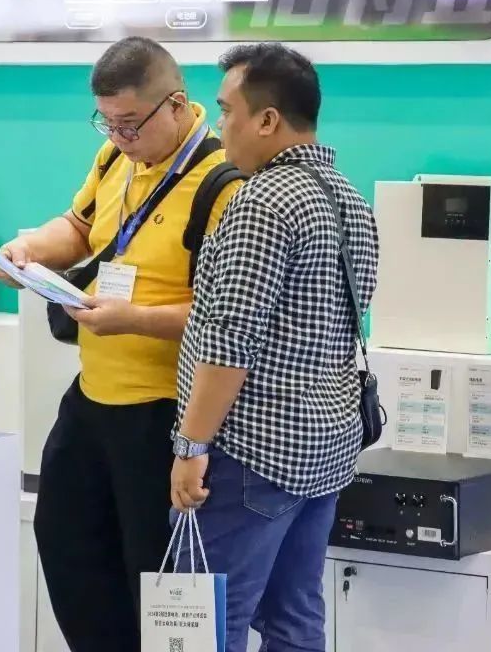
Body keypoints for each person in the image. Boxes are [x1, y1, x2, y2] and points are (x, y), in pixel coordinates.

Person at [0, 37, 243, 651]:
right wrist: (29, 251)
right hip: (92, 395)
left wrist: (135, 319)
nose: (119, 136)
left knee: (151, 571)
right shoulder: (114, 158)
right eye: (107, 122)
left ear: (176, 105)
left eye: (130, 123)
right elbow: (79, 228)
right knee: (65, 541)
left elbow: (230, 317)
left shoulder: (223, 182)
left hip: (163, 409)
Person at [170, 42, 380, 652]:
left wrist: (191, 445)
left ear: (267, 119)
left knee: (208, 622)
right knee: (294, 616)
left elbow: (230, 341)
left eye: (225, 110)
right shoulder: (349, 199)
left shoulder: (261, 202)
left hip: (249, 454)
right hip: (324, 447)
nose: (219, 127)